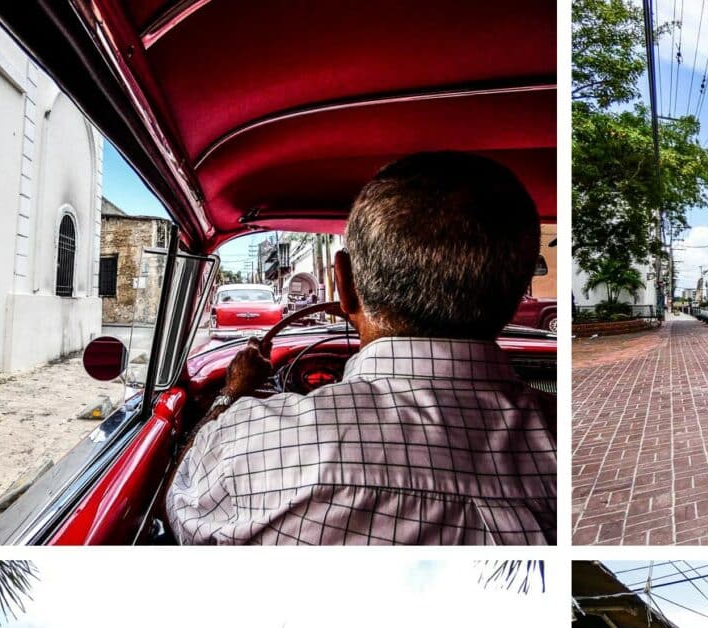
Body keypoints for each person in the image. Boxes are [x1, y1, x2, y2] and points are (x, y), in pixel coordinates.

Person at [166, 151, 557, 545]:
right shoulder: (564, 438)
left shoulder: (250, 440)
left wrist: (231, 396)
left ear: (345, 284)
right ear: (519, 287)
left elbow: (179, 505)